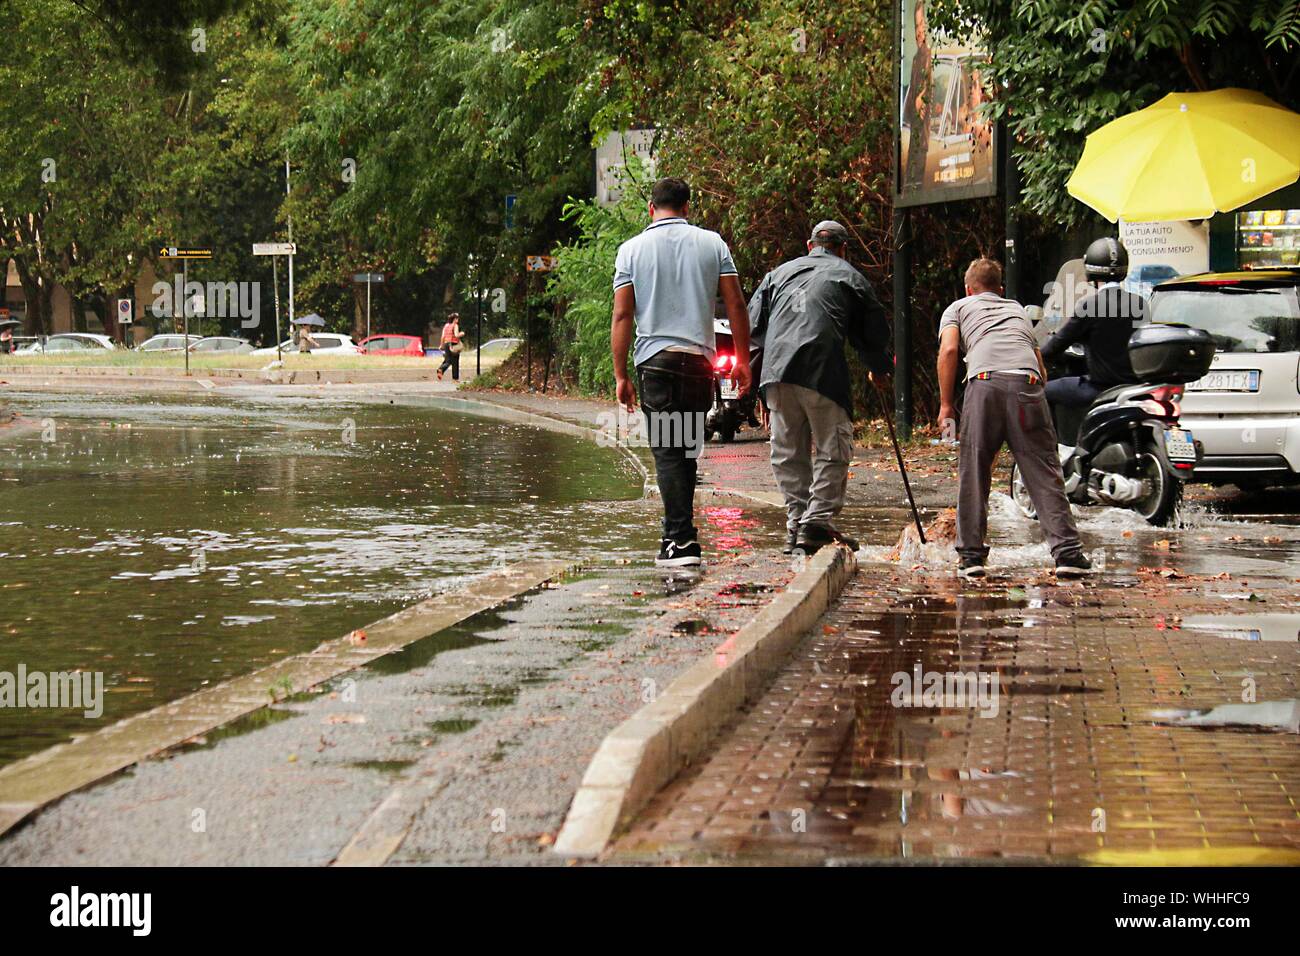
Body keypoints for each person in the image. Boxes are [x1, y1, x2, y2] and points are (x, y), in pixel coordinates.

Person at [611, 177, 752, 568]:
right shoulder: (712, 244)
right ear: (687, 207)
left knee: (670, 453)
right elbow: (736, 304)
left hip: (657, 362)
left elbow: (623, 314)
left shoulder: (631, 250)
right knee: (686, 451)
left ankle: (678, 541)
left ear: (651, 209)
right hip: (699, 363)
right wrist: (742, 359)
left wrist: (620, 374)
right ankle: (682, 535)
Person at [937, 257, 1092, 578]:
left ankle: (971, 557)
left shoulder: (958, 307)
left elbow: (950, 351)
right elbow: (1039, 362)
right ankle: (1068, 555)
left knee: (975, 471)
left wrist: (946, 404)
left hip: (984, 384)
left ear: (968, 289)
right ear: (1000, 289)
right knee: (1045, 471)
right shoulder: (1016, 309)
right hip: (1028, 384)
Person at [749, 220, 890, 554]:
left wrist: (758, 386)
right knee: (832, 448)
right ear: (842, 248)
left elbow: (755, 327)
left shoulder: (778, 275)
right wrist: (879, 370)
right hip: (821, 370)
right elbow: (871, 334)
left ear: (809, 244)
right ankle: (816, 522)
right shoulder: (849, 275)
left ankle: (797, 522)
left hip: (778, 371)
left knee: (787, 452)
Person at [1041, 237, 1145, 442]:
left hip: (1099, 388)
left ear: (1090, 270)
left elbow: (1056, 346)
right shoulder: (1139, 304)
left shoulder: (1090, 305)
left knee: (1043, 391)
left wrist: (1033, 357)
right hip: (1133, 388)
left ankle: (1055, 451)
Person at [902, 0, 933, 191]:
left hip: (922, 132)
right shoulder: (915, 58)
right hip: (913, 127)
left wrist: (922, 97)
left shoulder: (928, 56)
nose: (919, 31)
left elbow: (927, 87)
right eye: (916, 26)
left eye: (922, 25)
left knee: (917, 179)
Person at [437, 313, 463, 382]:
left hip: (446, 343)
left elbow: (443, 336)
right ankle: (455, 378)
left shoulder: (446, 326)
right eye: (457, 318)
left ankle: (441, 369)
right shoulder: (455, 325)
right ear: (454, 319)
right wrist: (462, 333)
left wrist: (441, 345)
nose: (458, 320)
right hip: (453, 344)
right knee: (455, 361)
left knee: (448, 360)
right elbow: (456, 335)